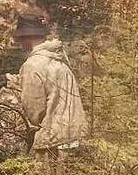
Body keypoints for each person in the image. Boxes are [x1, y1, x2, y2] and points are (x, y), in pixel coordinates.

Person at [7, 15, 89, 156]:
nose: (20, 43)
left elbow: (34, 109)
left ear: (27, 37)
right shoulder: (59, 59)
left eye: (21, 39)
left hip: (53, 139)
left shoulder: (32, 65)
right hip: (74, 133)